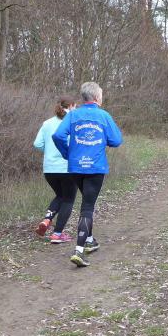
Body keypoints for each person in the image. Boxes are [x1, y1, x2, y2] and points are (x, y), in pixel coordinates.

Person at [52, 81, 123, 267]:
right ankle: (79, 250)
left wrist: (68, 153)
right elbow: (116, 140)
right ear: (97, 97)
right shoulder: (103, 116)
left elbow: (58, 136)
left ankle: (90, 239)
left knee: (87, 203)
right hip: (95, 167)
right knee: (88, 207)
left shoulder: (73, 115)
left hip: (76, 167)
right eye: (101, 95)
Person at [33, 97, 78, 243]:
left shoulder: (47, 123)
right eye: (75, 106)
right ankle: (57, 234)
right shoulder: (73, 123)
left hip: (49, 169)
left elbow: (37, 144)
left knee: (60, 195)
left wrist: (49, 151)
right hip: (67, 168)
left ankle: (47, 220)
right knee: (68, 200)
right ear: (71, 106)